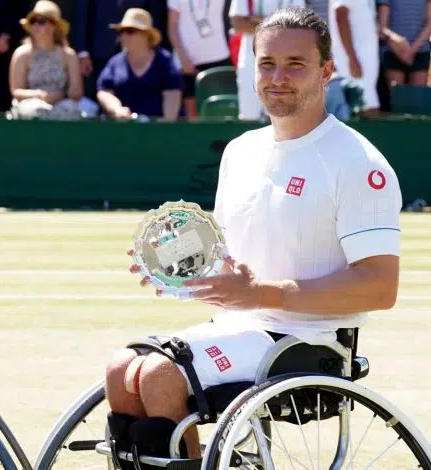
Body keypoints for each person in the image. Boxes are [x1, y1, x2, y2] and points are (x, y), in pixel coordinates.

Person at [104, 6, 401, 466]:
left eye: (294, 65)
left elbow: (380, 287)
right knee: (121, 369)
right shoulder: (241, 152)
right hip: (238, 329)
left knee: (158, 375)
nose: (277, 77)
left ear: (327, 72)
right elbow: (228, 256)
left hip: (308, 342)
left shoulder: (358, 162)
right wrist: (172, 260)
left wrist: (263, 293)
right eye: (266, 64)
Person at [96, 8, 182, 121]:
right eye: (121, 31)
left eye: (130, 31)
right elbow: (104, 91)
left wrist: (165, 125)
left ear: (147, 35)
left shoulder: (165, 62)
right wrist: (117, 109)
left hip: (156, 130)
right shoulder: (115, 62)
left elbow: (172, 94)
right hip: (124, 130)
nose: (124, 36)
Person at [8, 1, 85, 120]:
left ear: (54, 26)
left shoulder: (69, 55)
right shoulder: (21, 54)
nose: (35, 26)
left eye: (41, 22)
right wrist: (39, 95)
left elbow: (77, 91)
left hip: (61, 104)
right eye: (33, 22)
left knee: (70, 111)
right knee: (36, 112)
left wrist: (65, 94)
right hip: (30, 103)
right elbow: (16, 90)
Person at [229, 0, 305, 120]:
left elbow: (299, 27)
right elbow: (238, 24)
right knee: (249, 119)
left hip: (285, 62)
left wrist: (255, 20)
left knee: (280, 118)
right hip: (251, 63)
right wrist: (281, 24)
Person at [329, 0, 381, 115]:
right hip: (355, 65)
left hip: (362, 64)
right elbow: (340, 14)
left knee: (369, 108)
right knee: (362, 111)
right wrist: (352, 59)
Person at [376, 0, 431, 87]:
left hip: (421, 52)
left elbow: (430, 23)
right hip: (392, 52)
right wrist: (399, 49)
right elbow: (382, 27)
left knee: (417, 98)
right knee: (398, 98)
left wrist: (412, 50)